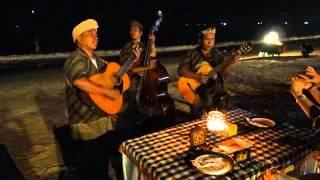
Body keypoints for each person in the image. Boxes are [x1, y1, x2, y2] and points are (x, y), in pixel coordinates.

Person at [63, 19, 140, 180]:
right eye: (90, 33)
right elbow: (79, 81)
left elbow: (117, 75)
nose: (95, 36)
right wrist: (108, 92)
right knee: (93, 169)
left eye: (96, 33)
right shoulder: (76, 58)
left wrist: (123, 74)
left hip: (103, 120)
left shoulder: (98, 60)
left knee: (104, 164)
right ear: (78, 38)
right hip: (86, 124)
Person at [178, 27, 239, 115]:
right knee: (198, 118)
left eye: (212, 39)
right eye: (207, 39)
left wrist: (231, 62)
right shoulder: (192, 54)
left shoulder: (218, 54)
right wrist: (197, 77)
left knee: (219, 117)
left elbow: (224, 73)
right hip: (197, 92)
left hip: (215, 91)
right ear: (200, 40)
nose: (210, 42)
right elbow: (181, 70)